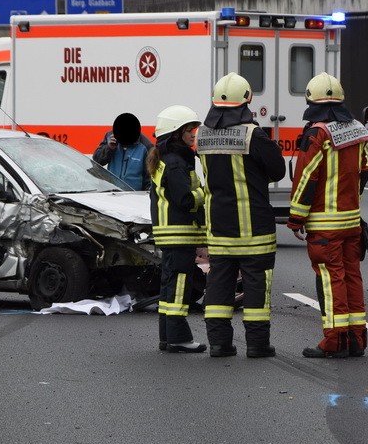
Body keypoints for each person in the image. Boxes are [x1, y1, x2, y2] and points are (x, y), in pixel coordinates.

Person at [196, 73, 285, 358]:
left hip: (219, 229)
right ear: (247, 100)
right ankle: (258, 344)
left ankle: (220, 344)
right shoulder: (252, 135)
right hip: (254, 229)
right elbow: (278, 171)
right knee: (256, 285)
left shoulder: (202, 135)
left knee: (219, 286)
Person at [288, 73, 368, 359]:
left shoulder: (317, 133)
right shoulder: (359, 130)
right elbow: (364, 171)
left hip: (325, 224)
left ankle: (335, 340)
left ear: (311, 101)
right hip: (350, 221)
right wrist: (353, 207)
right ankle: (357, 339)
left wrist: (296, 218)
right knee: (352, 276)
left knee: (330, 278)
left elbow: (306, 177)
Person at [147, 105, 208, 354]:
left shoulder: (166, 159)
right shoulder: (175, 162)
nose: (193, 133)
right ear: (176, 133)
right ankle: (179, 338)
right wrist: (205, 193)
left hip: (170, 233)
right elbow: (185, 200)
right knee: (180, 285)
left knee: (170, 285)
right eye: (189, 130)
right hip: (179, 233)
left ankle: (167, 337)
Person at [92, 113, 152, 191]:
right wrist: (109, 148)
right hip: (111, 194)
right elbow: (97, 160)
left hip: (135, 196)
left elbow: (150, 178)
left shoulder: (146, 146)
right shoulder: (110, 136)